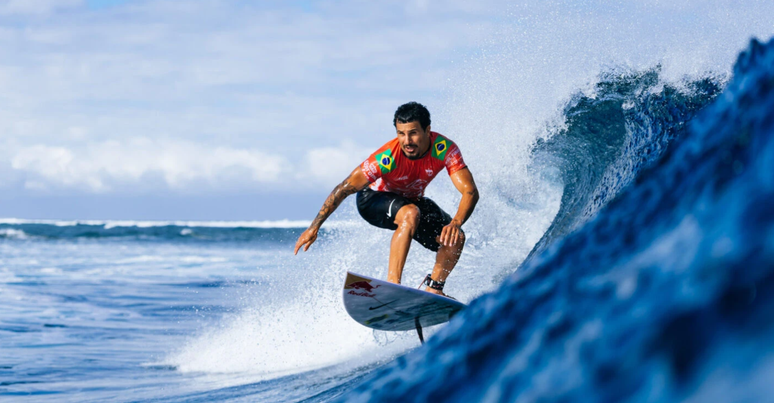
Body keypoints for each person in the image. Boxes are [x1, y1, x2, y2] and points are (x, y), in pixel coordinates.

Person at [294, 102, 479, 297]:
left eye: (413, 133)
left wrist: (456, 223)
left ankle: (435, 288)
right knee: (410, 213)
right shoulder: (388, 156)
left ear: (427, 130)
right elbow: (344, 188)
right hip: (373, 200)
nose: (407, 141)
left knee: (454, 237)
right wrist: (314, 227)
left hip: (410, 200)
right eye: (401, 133)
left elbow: (470, 191)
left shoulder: (444, 149)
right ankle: (393, 286)